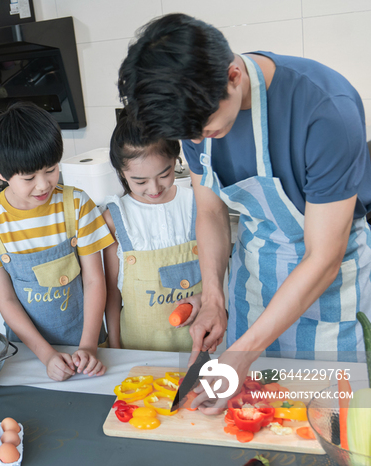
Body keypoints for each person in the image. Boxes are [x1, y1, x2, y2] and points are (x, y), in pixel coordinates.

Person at [118, 13, 371, 412]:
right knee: (249, 418)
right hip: (255, 281)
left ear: (233, 76)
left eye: (204, 128)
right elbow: (210, 211)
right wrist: (215, 298)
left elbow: (323, 257)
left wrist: (244, 352)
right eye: (189, 135)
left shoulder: (325, 111)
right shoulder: (194, 115)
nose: (198, 141)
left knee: (326, 420)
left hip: (328, 290)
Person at [0, 102, 114, 381]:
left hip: (88, 345)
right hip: (28, 354)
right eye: (29, 177)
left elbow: (95, 280)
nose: (44, 184)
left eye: (51, 169)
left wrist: (88, 346)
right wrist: (46, 355)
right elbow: (7, 300)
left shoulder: (77, 204)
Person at [103, 111, 202, 351]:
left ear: (176, 160)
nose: (154, 188)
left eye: (164, 174)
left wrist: (206, 299)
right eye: (140, 181)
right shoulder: (116, 218)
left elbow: (216, 272)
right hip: (136, 350)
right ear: (121, 173)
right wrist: (115, 345)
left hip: (197, 346)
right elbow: (112, 293)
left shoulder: (196, 204)